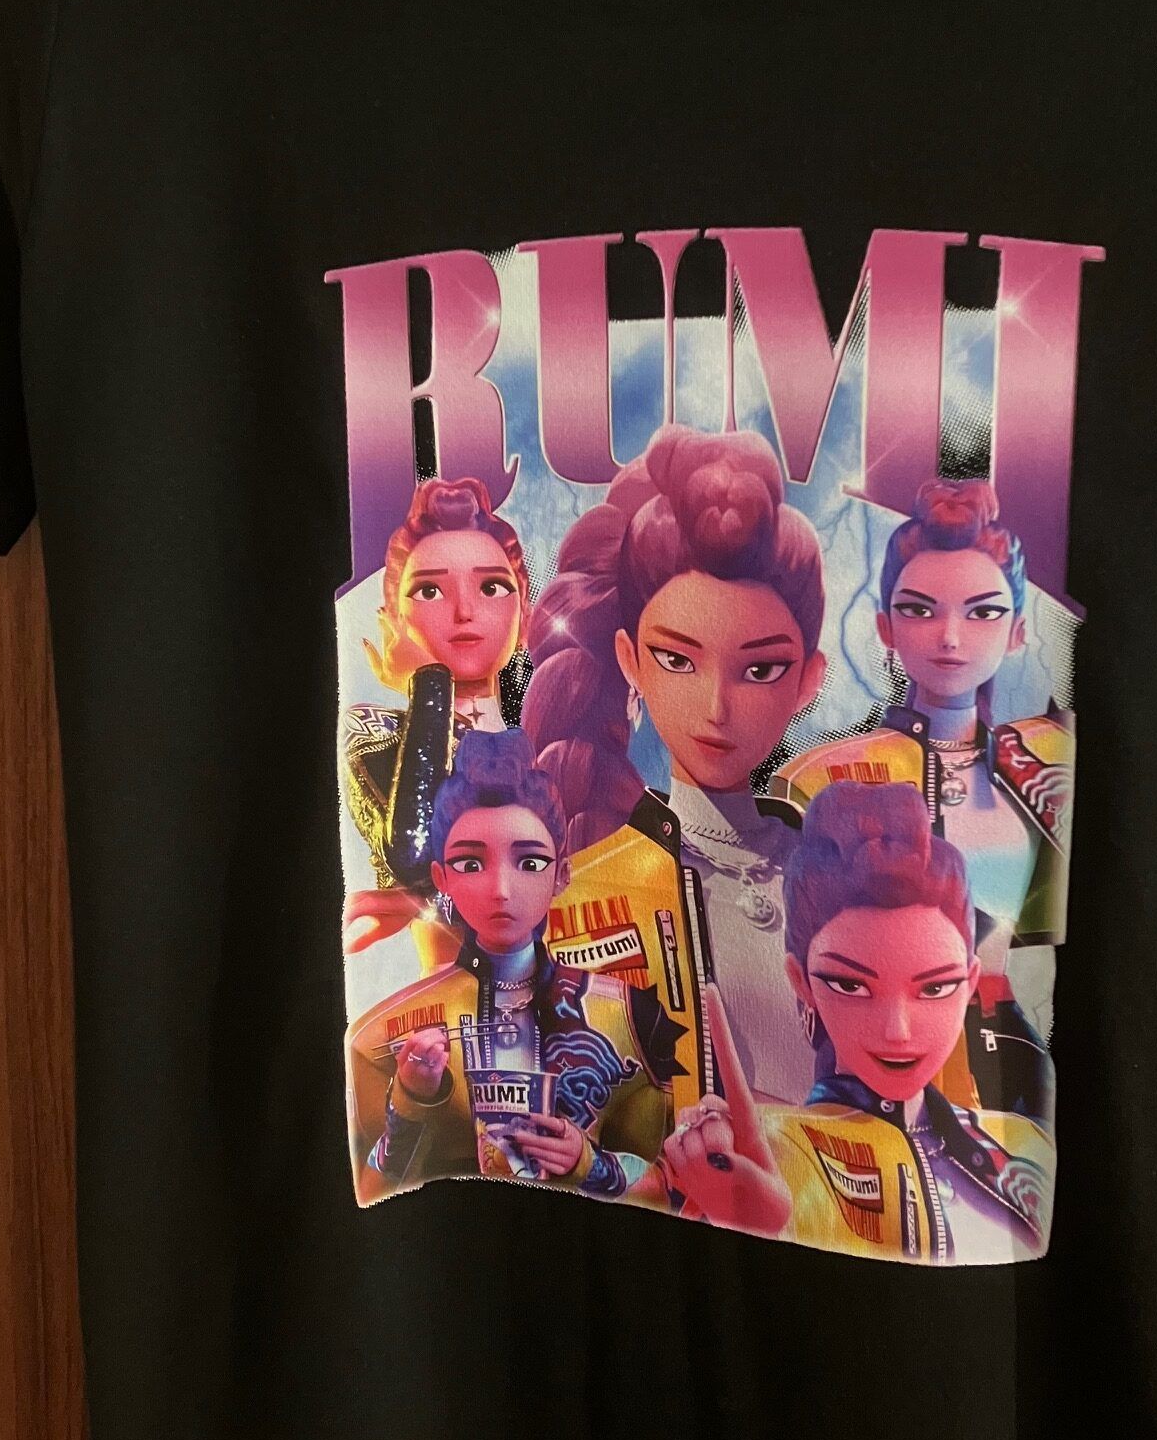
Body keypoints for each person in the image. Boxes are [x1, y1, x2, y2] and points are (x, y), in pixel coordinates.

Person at [523, 424, 828, 1105]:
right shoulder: (598, 882)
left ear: (808, 679)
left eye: (761, 669)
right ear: (631, 661)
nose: (716, 708)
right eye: (677, 660)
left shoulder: (836, 862)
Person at [662, 784, 1053, 1264]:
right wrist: (754, 1221)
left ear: (970, 981)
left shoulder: (1022, 1146)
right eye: (851, 985)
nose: (897, 1031)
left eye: (935, 988)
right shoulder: (773, 1147)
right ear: (801, 982)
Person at [771, 478, 1071, 1059]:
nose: (950, 637)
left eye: (983, 613)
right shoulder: (823, 779)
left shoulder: (1047, 762)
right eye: (918, 610)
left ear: (1017, 632)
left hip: (1015, 1062)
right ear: (886, 627)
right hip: (873, 1057)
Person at [344, 731, 684, 1206]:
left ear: (561, 874)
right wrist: (409, 1101)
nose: (501, 889)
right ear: (442, 878)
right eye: (470, 864)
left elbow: (682, 1190)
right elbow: (367, 1192)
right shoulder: (384, 1036)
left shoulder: (633, 1018)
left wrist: (591, 1166)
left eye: (529, 862)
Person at [341, 477, 529, 1001]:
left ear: (524, 615)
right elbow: (413, 850)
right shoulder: (376, 733)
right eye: (430, 590)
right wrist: (428, 683)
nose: (464, 610)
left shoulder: (550, 747)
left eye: (491, 587)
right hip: (456, 1015)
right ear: (393, 621)